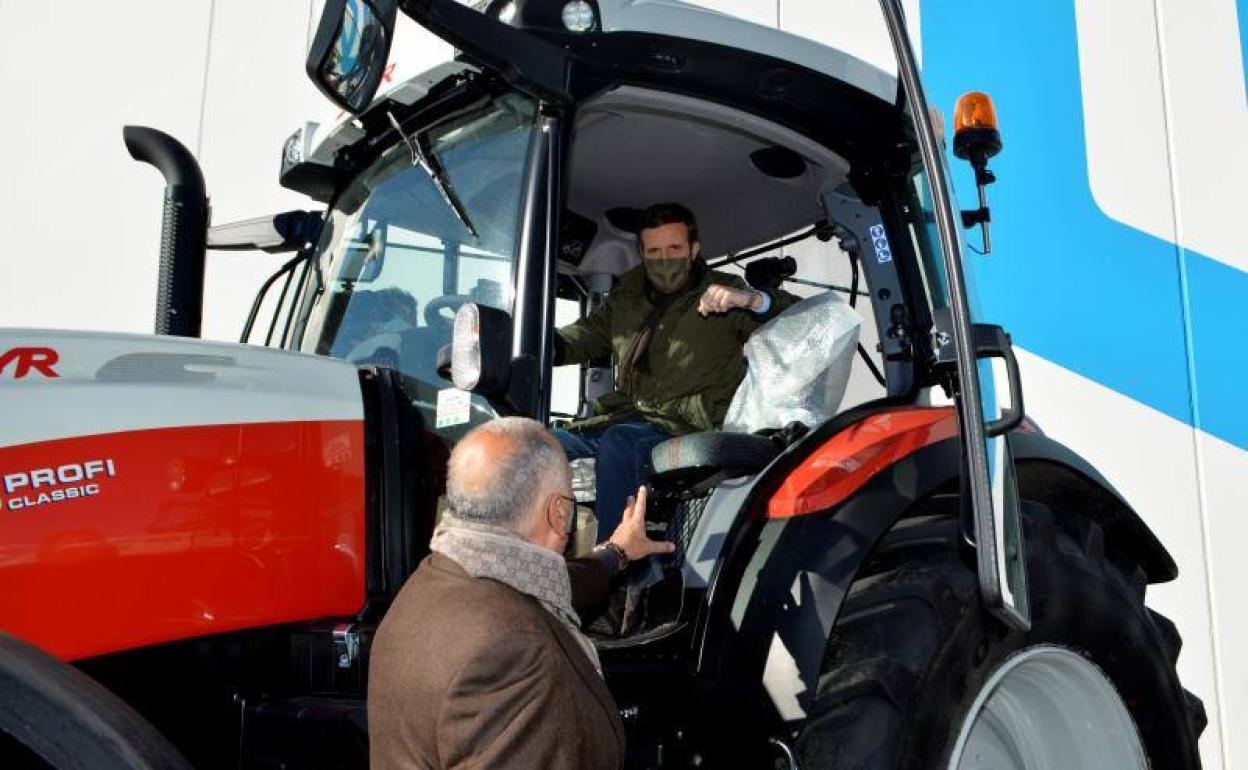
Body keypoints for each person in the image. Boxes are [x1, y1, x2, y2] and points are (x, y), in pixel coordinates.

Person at [368, 417, 675, 770]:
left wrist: (616, 553)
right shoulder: (513, 654)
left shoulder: (430, 587)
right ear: (559, 513)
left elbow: (555, 589)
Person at [554, 203, 799, 534]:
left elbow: (798, 321)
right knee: (542, 443)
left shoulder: (725, 291)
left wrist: (752, 300)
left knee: (620, 443)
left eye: (674, 248)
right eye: (654, 251)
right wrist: (540, 345)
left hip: (688, 423)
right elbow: (585, 335)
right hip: (628, 416)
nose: (664, 258)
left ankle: (618, 564)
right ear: (641, 253)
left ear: (693, 249)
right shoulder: (627, 297)